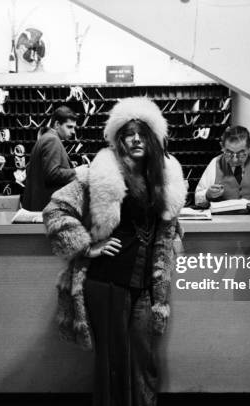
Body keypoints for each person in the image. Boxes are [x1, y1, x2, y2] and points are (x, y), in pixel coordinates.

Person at [43, 97, 186, 406]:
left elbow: (163, 226)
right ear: (118, 138)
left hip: (146, 282)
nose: (135, 139)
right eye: (128, 133)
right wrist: (86, 247)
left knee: (143, 357)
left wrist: (174, 234)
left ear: (153, 138)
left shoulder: (162, 176)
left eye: (142, 132)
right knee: (113, 362)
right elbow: (56, 210)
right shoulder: (99, 173)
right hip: (108, 280)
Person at [195, 125, 250, 207]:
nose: (235, 159)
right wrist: (207, 194)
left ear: (249, 147)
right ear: (222, 147)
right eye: (229, 153)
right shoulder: (215, 163)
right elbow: (198, 198)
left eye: (241, 154)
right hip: (224, 221)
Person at [21, 106, 78, 211]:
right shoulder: (52, 140)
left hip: (39, 206)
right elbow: (52, 174)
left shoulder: (45, 138)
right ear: (57, 125)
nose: (73, 131)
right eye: (69, 127)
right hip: (46, 208)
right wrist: (77, 171)